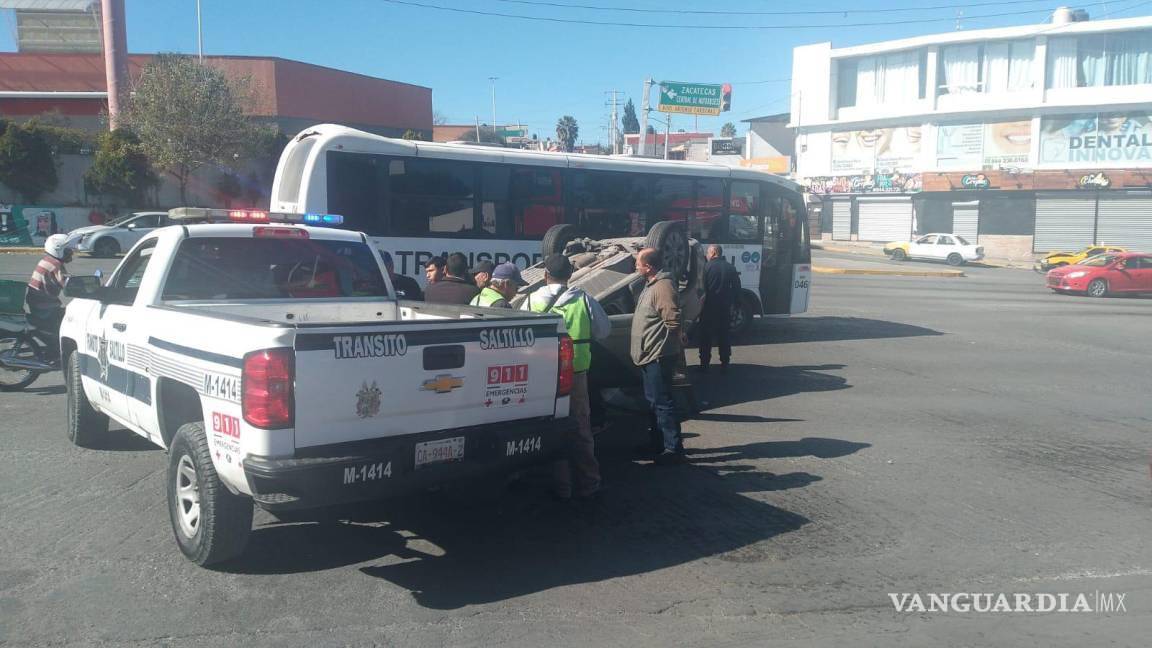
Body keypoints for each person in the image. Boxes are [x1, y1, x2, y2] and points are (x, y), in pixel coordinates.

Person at [523, 254, 610, 499]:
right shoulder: (584, 299)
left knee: (547, 428)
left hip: (542, 376)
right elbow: (603, 331)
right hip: (576, 374)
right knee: (580, 428)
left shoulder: (530, 300)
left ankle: (560, 485)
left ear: (545, 275)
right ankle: (589, 483)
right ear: (570, 276)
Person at [630, 247, 685, 465]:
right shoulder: (651, 284)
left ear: (649, 266)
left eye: (638, 263)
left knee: (662, 403)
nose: (635, 266)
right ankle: (657, 443)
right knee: (654, 402)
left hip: (657, 355)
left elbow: (672, 318)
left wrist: (671, 340)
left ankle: (673, 449)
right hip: (649, 354)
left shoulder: (662, 286)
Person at [26, 234, 72, 358]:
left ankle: (54, 350)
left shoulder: (47, 259)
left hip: (37, 301)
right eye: (67, 250)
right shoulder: (56, 264)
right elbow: (68, 285)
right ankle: (57, 351)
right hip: (45, 305)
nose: (71, 252)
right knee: (69, 319)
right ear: (58, 250)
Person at [698, 244, 741, 373]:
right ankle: (725, 362)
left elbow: (701, 289)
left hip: (708, 308)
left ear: (713, 253)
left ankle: (704, 364)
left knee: (706, 337)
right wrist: (734, 305)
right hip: (724, 308)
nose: (706, 254)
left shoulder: (706, 267)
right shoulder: (730, 267)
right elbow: (737, 288)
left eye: (708, 252)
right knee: (724, 335)